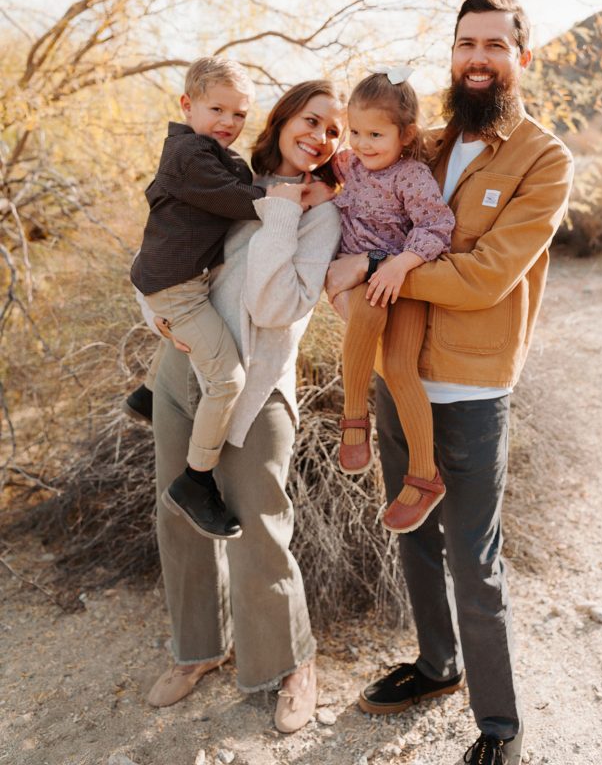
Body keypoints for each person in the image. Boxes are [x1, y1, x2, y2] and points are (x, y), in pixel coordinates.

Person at [326, 0, 573, 765]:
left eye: (494, 45)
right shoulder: (422, 145)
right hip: (399, 377)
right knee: (413, 535)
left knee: (473, 555)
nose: (477, 57)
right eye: (466, 42)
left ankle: (498, 722)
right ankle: (436, 667)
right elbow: (354, 187)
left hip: (468, 388)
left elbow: (484, 278)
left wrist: (367, 267)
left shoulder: (543, 158)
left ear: (520, 60)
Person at [146, 79, 345, 736]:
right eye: (311, 120)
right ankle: (197, 650)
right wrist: (158, 322)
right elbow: (164, 253)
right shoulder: (232, 177)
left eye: (335, 131)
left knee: (261, 530)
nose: (320, 136)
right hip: (183, 372)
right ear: (284, 118)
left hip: (256, 388)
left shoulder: (320, 214)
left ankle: (292, 664)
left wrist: (286, 207)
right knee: (178, 516)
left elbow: (272, 306)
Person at [131, 56, 290, 540]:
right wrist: (296, 198)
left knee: (195, 341)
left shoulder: (206, 154)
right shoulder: (189, 156)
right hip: (175, 290)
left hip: (177, 279)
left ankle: (148, 394)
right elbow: (242, 203)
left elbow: (239, 183)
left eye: (239, 115)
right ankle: (196, 481)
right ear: (188, 105)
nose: (228, 122)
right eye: (217, 109)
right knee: (226, 379)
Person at [333, 68, 455, 533]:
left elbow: (437, 226)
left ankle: (424, 475)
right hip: (368, 284)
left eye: (376, 134)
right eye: (356, 131)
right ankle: (355, 418)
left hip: (405, 282)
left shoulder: (411, 176)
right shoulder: (351, 166)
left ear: (405, 135)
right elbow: (322, 167)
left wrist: (401, 263)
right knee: (365, 313)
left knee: (403, 369)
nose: (363, 143)